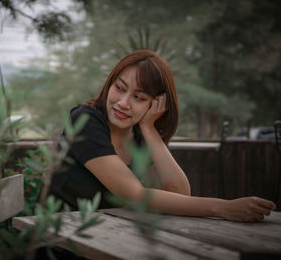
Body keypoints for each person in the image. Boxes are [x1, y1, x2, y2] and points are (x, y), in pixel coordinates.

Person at [43, 49, 276, 223]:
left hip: (110, 236)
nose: (123, 103)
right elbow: (134, 194)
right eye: (120, 88)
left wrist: (149, 128)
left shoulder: (137, 133)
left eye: (139, 97)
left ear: (156, 104)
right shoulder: (85, 121)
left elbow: (179, 193)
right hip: (65, 241)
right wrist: (222, 208)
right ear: (109, 84)